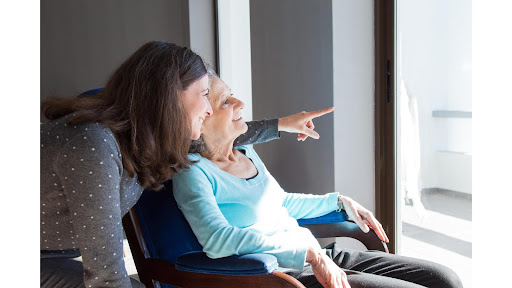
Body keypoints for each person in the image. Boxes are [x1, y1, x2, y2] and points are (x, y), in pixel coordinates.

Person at [40, 40, 333, 288]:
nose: (209, 109)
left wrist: (281, 125)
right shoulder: (94, 146)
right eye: (206, 95)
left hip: (52, 255)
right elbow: (106, 274)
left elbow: (215, 134)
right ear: (169, 96)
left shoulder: (149, 139)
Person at [172, 75, 463, 288]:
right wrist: (309, 254)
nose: (240, 103)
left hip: (317, 255)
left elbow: (282, 203)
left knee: (445, 280)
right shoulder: (194, 173)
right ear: (201, 119)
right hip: (283, 275)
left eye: (232, 94)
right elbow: (218, 241)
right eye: (226, 101)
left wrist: (340, 202)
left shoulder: (245, 152)